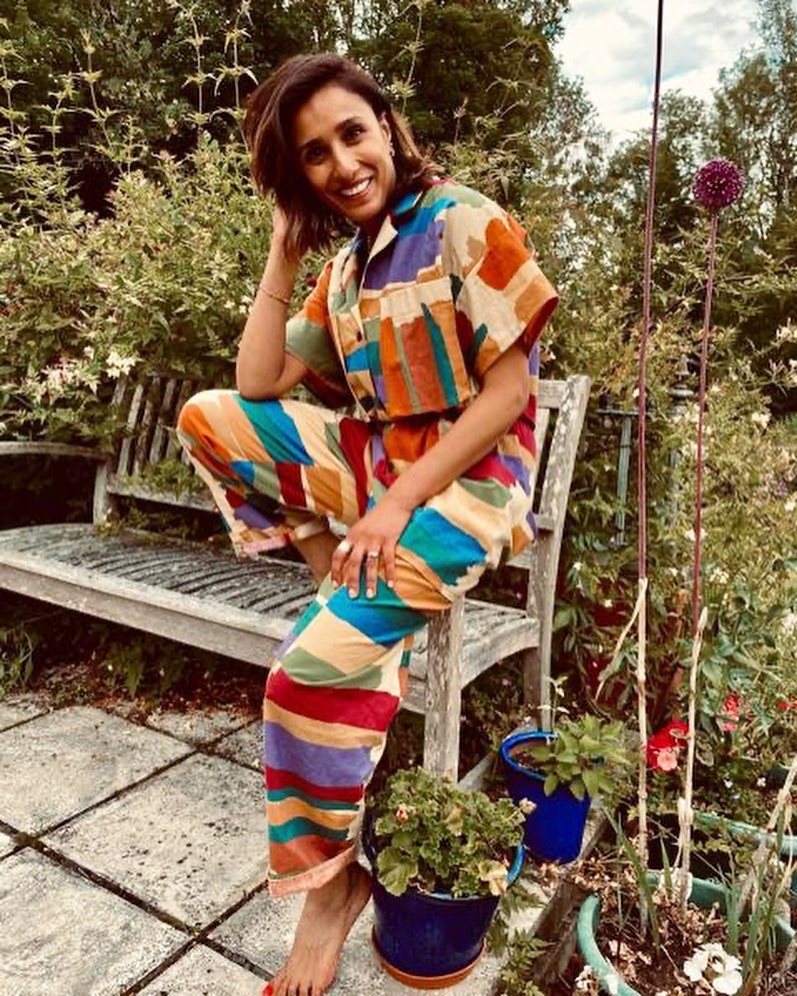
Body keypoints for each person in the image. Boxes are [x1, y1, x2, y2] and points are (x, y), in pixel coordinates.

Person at [177, 52, 558, 996]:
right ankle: (338, 582)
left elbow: (509, 394)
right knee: (207, 417)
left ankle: (329, 888)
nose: (342, 164)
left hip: (469, 485)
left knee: (303, 675)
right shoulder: (344, 271)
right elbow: (258, 383)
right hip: (377, 471)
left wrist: (393, 505)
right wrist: (283, 250)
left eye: (352, 134)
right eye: (314, 154)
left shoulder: (464, 220)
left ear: (385, 125)